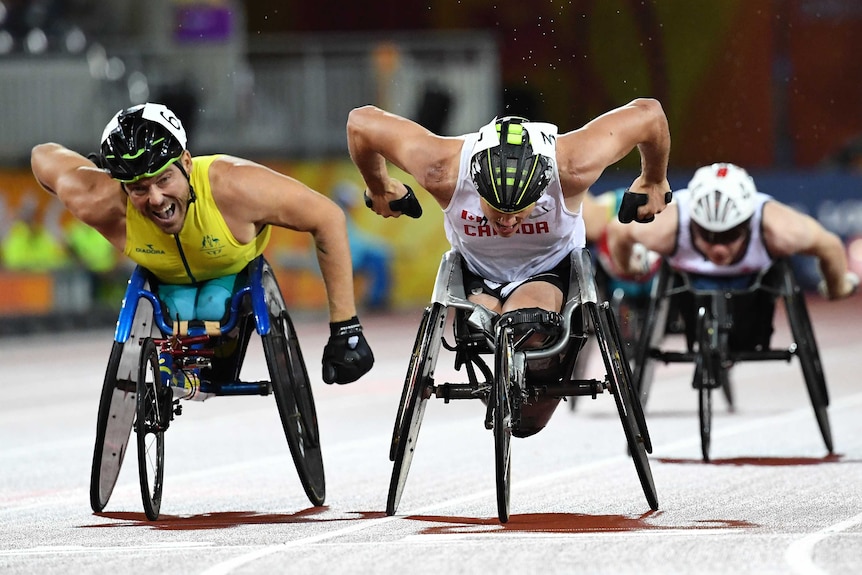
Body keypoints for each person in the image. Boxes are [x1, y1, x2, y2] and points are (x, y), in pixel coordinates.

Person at [346, 98, 672, 436]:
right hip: (476, 274)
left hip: (548, 270)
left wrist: (653, 179)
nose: (507, 222)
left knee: (526, 341)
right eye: (496, 210)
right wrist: (378, 185)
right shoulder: (442, 170)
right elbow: (361, 122)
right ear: (475, 184)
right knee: (488, 328)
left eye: (520, 211)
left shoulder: (572, 165)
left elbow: (648, 114)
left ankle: (532, 386)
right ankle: (507, 375)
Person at [31, 102, 373, 385]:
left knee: (212, 306)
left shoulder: (235, 187)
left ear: (186, 162)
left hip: (231, 276)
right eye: (138, 188)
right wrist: (94, 171)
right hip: (169, 287)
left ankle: (223, 349)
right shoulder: (100, 200)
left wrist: (345, 327)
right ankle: (182, 352)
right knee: (180, 308)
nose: (155, 199)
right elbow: (42, 155)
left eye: (165, 178)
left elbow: (328, 217)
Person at [605, 162, 858, 351]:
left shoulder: (780, 228)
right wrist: (628, 269)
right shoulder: (667, 226)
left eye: (729, 236)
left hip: (754, 293)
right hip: (687, 289)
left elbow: (829, 246)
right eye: (708, 235)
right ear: (693, 223)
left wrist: (837, 287)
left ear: (748, 223)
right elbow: (618, 231)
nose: (719, 249)